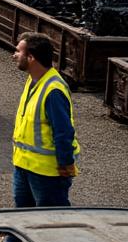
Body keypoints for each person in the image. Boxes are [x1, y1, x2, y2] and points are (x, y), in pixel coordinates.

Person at [11, 32, 80, 210]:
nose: (14, 55)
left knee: (50, 221)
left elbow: (63, 131)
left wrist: (65, 164)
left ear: (31, 57)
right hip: (24, 166)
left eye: (18, 51)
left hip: (48, 173)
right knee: (22, 220)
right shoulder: (33, 80)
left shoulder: (53, 90)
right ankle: (14, 240)